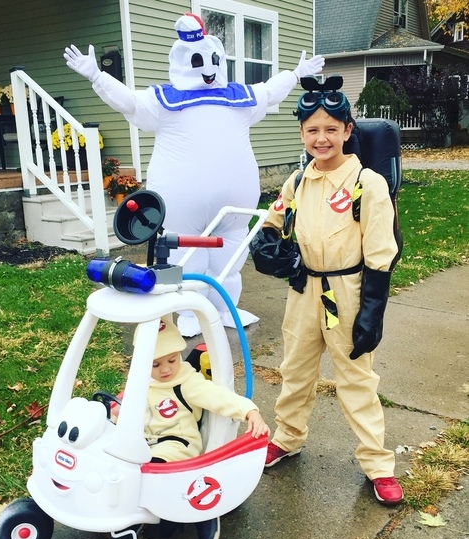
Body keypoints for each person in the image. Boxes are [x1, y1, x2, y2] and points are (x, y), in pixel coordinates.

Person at [64, 13, 324, 337]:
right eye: (199, 60)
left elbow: (270, 92)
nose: (208, 67)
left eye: (213, 59)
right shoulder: (165, 101)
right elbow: (129, 103)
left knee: (230, 259)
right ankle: (188, 311)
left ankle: (224, 307)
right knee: (189, 260)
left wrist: (296, 73)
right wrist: (97, 77)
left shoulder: (236, 97)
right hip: (183, 212)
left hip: (235, 211)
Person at [257, 81, 404, 506]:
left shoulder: (366, 183)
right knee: (296, 368)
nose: (321, 138)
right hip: (305, 289)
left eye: (331, 129)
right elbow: (274, 220)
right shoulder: (298, 180)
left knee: (355, 377)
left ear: (347, 130)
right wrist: (268, 246)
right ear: (302, 135)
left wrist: (372, 310)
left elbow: (380, 252)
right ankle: (287, 437)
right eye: (312, 130)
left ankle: (378, 463)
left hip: (346, 293)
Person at [112, 314, 270, 539]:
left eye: (172, 360)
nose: (165, 369)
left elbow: (220, 397)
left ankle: (197, 513)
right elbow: (128, 408)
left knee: (152, 470)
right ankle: (125, 512)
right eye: (155, 364)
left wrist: (250, 412)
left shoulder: (187, 382)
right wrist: (113, 417)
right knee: (115, 460)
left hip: (177, 444)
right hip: (146, 441)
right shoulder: (142, 382)